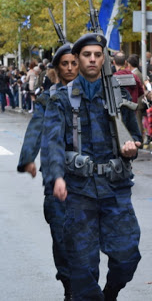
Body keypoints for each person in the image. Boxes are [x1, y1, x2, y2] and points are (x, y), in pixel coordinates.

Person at [41, 33, 143, 300]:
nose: (93, 60)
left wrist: (131, 148)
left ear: (104, 59)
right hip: (79, 191)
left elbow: (136, 135)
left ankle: (110, 294)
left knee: (127, 257)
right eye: (87, 55)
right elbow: (51, 144)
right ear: (76, 59)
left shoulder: (118, 96)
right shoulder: (61, 99)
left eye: (98, 55)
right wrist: (57, 177)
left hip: (116, 189)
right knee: (83, 268)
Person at [16, 44, 78, 300]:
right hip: (56, 175)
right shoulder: (48, 97)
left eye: (75, 63)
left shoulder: (94, 92)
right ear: (56, 68)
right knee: (62, 237)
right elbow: (36, 128)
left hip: (91, 179)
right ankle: (69, 288)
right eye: (65, 64)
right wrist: (28, 158)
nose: (71, 68)